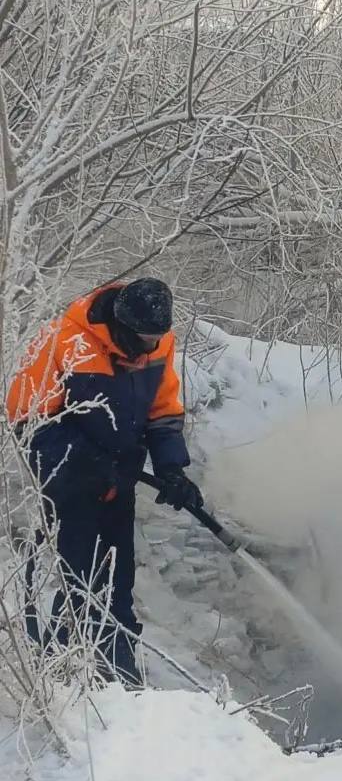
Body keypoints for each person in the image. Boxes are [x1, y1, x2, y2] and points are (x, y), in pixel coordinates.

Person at [7, 278, 203, 686]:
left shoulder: (158, 344)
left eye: (157, 339)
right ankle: (63, 676)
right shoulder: (64, 340)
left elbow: (163, 411)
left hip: (120, 481)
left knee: (117, 583)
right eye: (144, 340)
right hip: (69, 480)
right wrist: (94, 466)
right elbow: (28, 420)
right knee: (78, 580)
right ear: (121, 326)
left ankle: (120, 677)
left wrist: (171, 468)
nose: (151, 348)